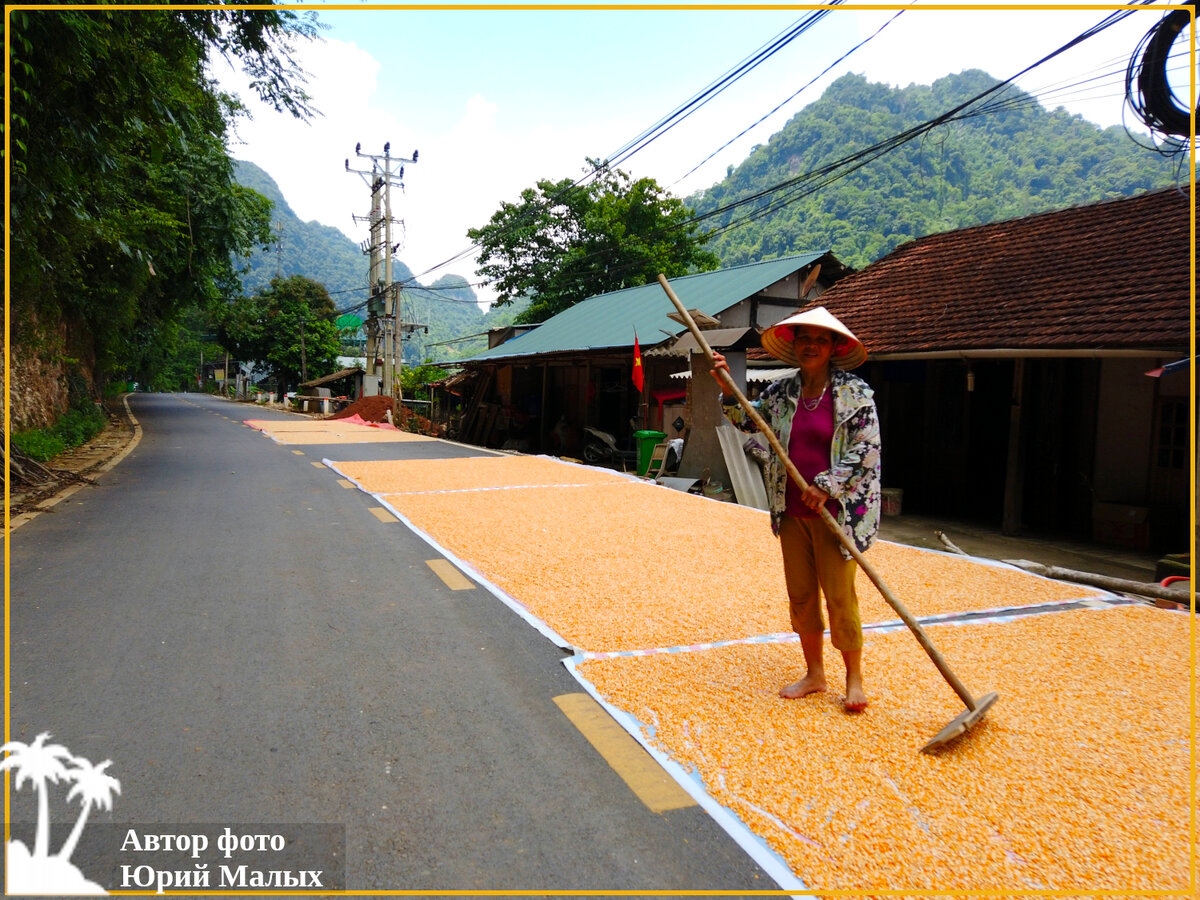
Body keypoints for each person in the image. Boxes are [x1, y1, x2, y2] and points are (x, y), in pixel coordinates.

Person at [711, 307, 881, 712]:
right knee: (802, 596)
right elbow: (748, 422)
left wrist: (827, 485)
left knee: (840, 597)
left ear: (833, 347)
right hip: (791, 511)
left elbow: (867, 450)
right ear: (794, 344)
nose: (811, 346)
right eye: (804, 338)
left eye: (820, 340)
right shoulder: (782, 392)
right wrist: (726, 386)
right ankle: (814, 673)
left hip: (836, 514)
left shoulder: (855, 394)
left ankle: (854, 678)